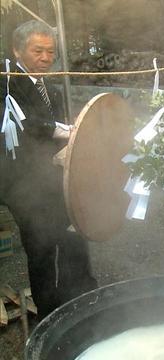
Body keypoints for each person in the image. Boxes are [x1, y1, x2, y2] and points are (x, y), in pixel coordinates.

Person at [0, 20, 97, 319]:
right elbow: (25, 127)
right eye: (37, 50)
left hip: (55, 176)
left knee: (74, 230)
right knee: (41, 243)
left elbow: (62, 135)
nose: (45, 58)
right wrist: (65, 130)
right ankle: (49, 312)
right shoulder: (5, 82)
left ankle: (81, 295)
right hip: (22, 184)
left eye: (50, 52)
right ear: (17, 50)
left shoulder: (50, 89)